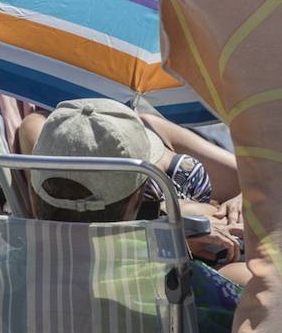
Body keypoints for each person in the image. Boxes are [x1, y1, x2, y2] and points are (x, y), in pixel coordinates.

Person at [19, 101, 247, 279]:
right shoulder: (50, 133)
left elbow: (258, 179)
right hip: (211, 262)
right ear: (134, 198)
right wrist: (165, 242)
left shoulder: (147, 123)